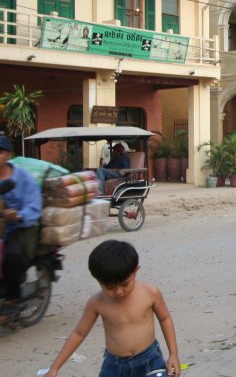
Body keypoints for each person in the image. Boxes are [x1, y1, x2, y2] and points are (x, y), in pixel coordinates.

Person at [43, 240, 180, 377]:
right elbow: (79, 333)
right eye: (109, 287)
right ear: (98, 280)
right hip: (115, 365)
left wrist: (173, 354)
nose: (119, 291)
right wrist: (55, 368)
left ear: (135, 271)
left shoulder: (150, 293)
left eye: (125, 284)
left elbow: (165, 319)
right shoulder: (96, 303)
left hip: (150, 360)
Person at [0, 135, 42, 322]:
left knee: (12, 255)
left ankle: (11, 300)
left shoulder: (23, 178)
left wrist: (17, 215)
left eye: (0, 152)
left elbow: (33, 206)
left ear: (8, 154)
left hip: (18, 228)